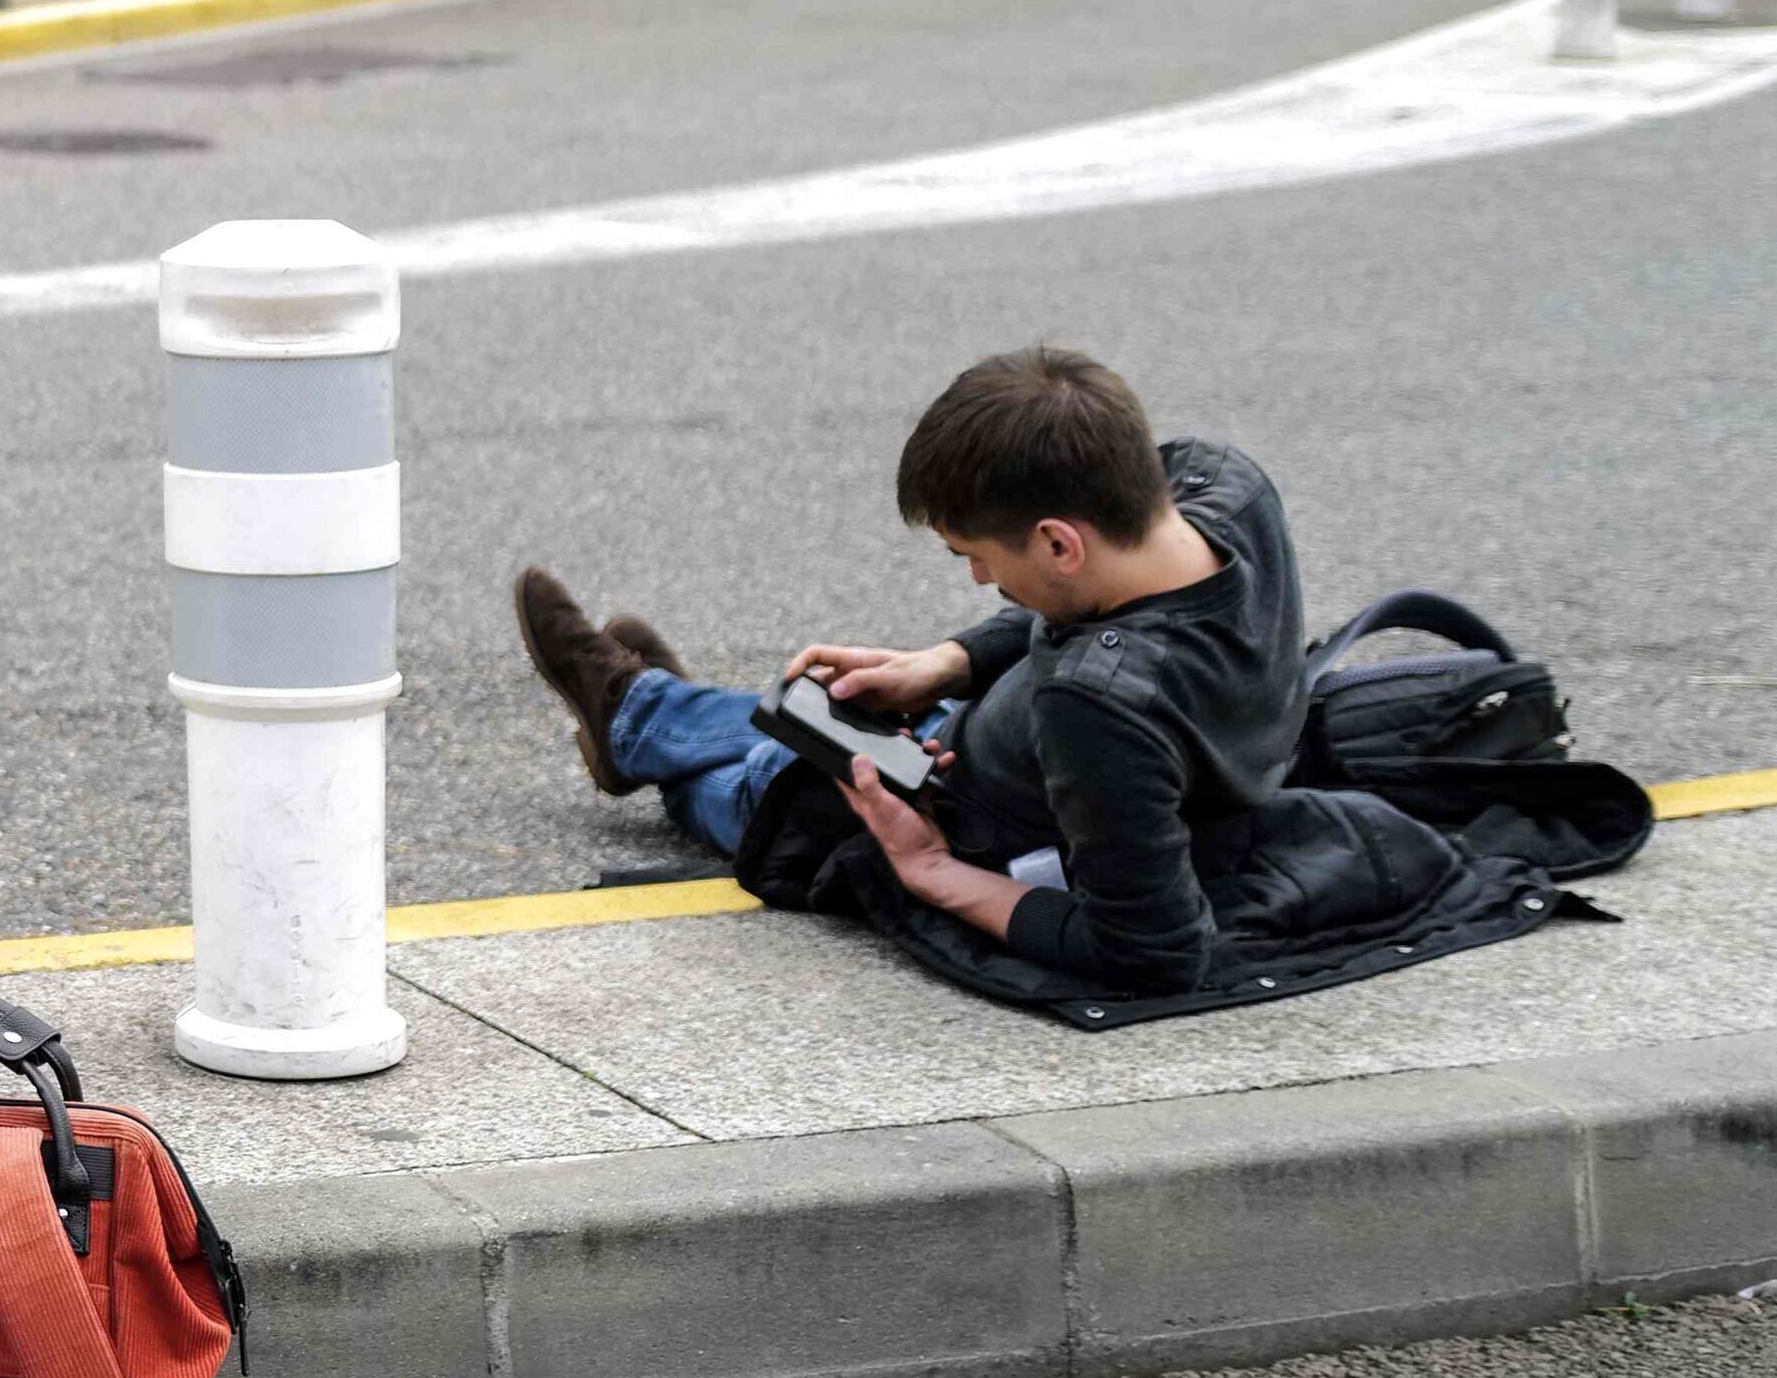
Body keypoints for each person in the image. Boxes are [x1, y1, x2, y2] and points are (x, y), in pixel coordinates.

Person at [509, 347, 1305, 1004]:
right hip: (984, 747)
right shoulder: (1221, 485)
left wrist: (933, 871)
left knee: (770, 786)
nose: (979, 582)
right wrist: (950, 662)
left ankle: (638, 717)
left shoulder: (1095, 705)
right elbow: (1103, 604)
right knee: (815, 721)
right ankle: (643, 721)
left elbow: (1155, 951)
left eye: (978, 559)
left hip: (939, 812)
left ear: (1060, 544)